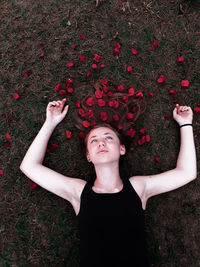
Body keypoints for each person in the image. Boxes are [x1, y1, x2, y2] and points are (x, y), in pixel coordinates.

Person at [20, 81, 197, 267]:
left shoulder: (138, 188)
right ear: (88, 156)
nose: (101, 143)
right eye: (94, 140)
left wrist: (185, 124)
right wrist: (50, 122)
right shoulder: (79, 192)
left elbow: (186, 173)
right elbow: (29, 166)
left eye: (108, 138)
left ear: (121, 149)